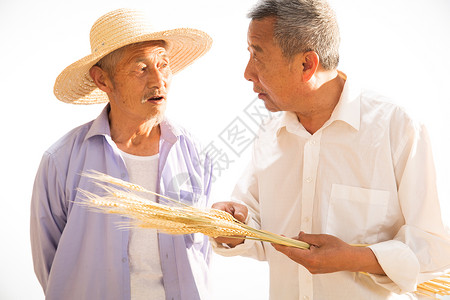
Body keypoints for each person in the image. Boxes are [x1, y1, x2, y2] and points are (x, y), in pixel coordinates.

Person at [211, 0, 450, 299]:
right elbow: (259, 229)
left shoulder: (397, 129)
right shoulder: (270, 134)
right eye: (249, 55)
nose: (247, 73)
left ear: (306, 65)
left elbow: (434, 248)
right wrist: (235, 226)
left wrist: (354, 257)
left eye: (258, 57)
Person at [30, 9, 213, 300]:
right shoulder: (61, 161)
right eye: (141, 68)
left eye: (163, 64)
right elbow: (50, 266)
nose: (158, 80)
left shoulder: (193, 152)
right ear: (103, 80)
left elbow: (202, 253)